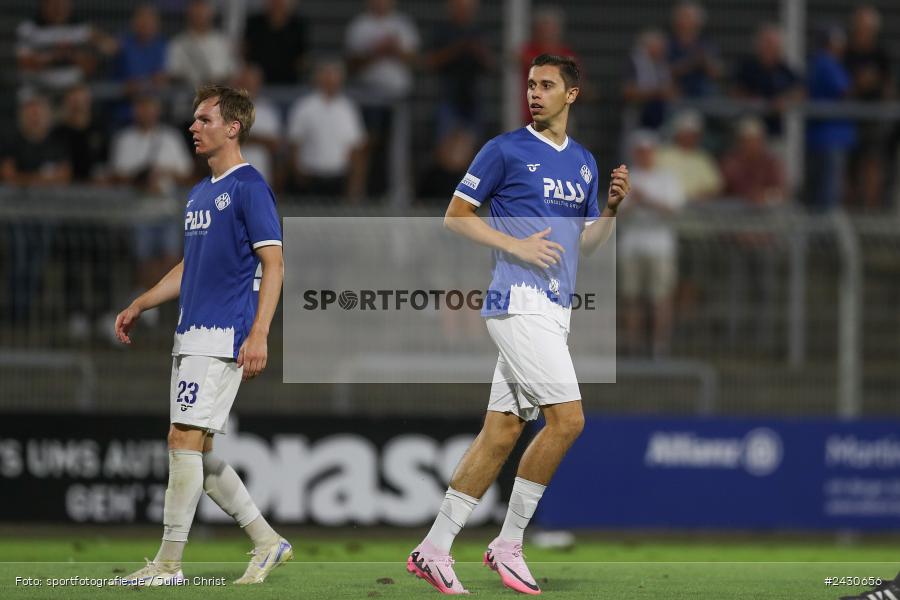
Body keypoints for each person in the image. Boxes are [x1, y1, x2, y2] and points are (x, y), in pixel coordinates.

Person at [407, 54, 629, 595]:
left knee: (501, 432)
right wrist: (514, 244)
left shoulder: (583, 163)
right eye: (530, 84)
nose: (534, 92)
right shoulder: (504, 149)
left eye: (546, 85)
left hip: (555, 309)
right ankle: (508, 542)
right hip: (519, 301)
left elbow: (584, 248)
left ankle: (434, 548)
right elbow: (455, 217)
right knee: (569, 421)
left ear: (572, 94)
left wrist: (612, 212)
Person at [113, 86, 290, 586]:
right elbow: (191, 265)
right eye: (193, 119)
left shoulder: (250, 186)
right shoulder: (199, 193)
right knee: (200, 449)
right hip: (190, 333)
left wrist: (259, 333)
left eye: (204, 119)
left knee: (182, 439)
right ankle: (267, 541)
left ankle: (168, 563)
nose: (193, 126)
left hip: (223, 335)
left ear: (233, 127)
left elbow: (273, 263)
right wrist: (141, 302)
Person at [617, 130, 685, 357]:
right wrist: (635, 204)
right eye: (640, 152)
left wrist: (646, 201)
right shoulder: (626, 178)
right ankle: (633, 346)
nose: (644, 156)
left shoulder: (667, 178)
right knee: (631, 298)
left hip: (661, 247)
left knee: (660, 298)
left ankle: (659, 347)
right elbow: (616, 214)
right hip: (631, 246)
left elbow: (674, 210)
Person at [286, 59, 367, 200]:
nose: (331, 83)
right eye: (327, 78)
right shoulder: (304, 107)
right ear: (318, 79)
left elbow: (356, 147)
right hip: (309, 177)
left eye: (335, 79)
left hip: (339, 178)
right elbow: (294, 143)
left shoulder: (348, 108)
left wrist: (355, 183)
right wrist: (297, 173)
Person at [805, 25, 855, 212]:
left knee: (820, 194)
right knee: (827, 195)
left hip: (824, 140)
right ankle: (821, 239)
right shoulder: (826, 62)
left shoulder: (820, 62)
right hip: (829, 140)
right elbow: (845, 91)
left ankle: (816, 237)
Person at [732, 24, 803, 138]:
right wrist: (753, 102)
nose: (770, 48)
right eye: (767, 44)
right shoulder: (747, 67)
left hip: (777, 129)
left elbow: (800, 90)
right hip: (750, 129)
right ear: (758, 45)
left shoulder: (785, 69)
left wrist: (784, 100)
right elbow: (735, 91)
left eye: (773, 45)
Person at [243, 0, 308, 84]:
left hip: (288, 79)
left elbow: (302, 54)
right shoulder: (254, 22)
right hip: (258, 79)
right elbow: (245, 48)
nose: (276, 3)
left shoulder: (298, 25)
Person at [623, 29, 676, 130]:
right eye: (658, 47)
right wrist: (656, 92)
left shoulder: (663, 65)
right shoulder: (634, 63)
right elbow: (627, 92)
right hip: (638, 116)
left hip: (661, 117)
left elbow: (672, 92)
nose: (662, 50)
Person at [666, 1, 721, 98]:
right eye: (683, 16)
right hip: (676, 94)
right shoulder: (667, 44)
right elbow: (663, 71)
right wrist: (691, 63)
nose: (686, 21)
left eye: (689, 17)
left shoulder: (707, 44)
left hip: (703, 94)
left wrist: (706, 62)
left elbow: (716, 73)